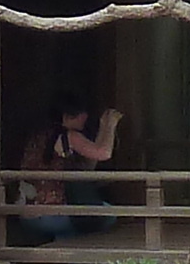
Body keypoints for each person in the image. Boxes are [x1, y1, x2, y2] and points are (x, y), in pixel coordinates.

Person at [8, 100, 125, 243]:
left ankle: (60, 244)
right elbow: (104, 153)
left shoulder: (39, 135)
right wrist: (111, 125)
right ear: (67, 117)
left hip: (26, 215)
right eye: (81, 114)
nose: (85, 118)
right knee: (108, 215)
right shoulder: (69, 136)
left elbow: (89, 165)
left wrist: (102, 127)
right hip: (53, 215)